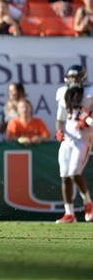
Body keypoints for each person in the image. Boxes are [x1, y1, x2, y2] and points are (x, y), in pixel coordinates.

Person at [54, 65, 93, 223]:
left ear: (83, 78)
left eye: (76, 78)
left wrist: (88, 120)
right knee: (65, 175)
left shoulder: (90, 93)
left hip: (83, 138)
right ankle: (69, 213)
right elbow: (60, 118)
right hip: (68, 138)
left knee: (74, 172)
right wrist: (59, 130)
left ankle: (88, 203)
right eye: (71, 78)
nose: (73, 81)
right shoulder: (63, 92)